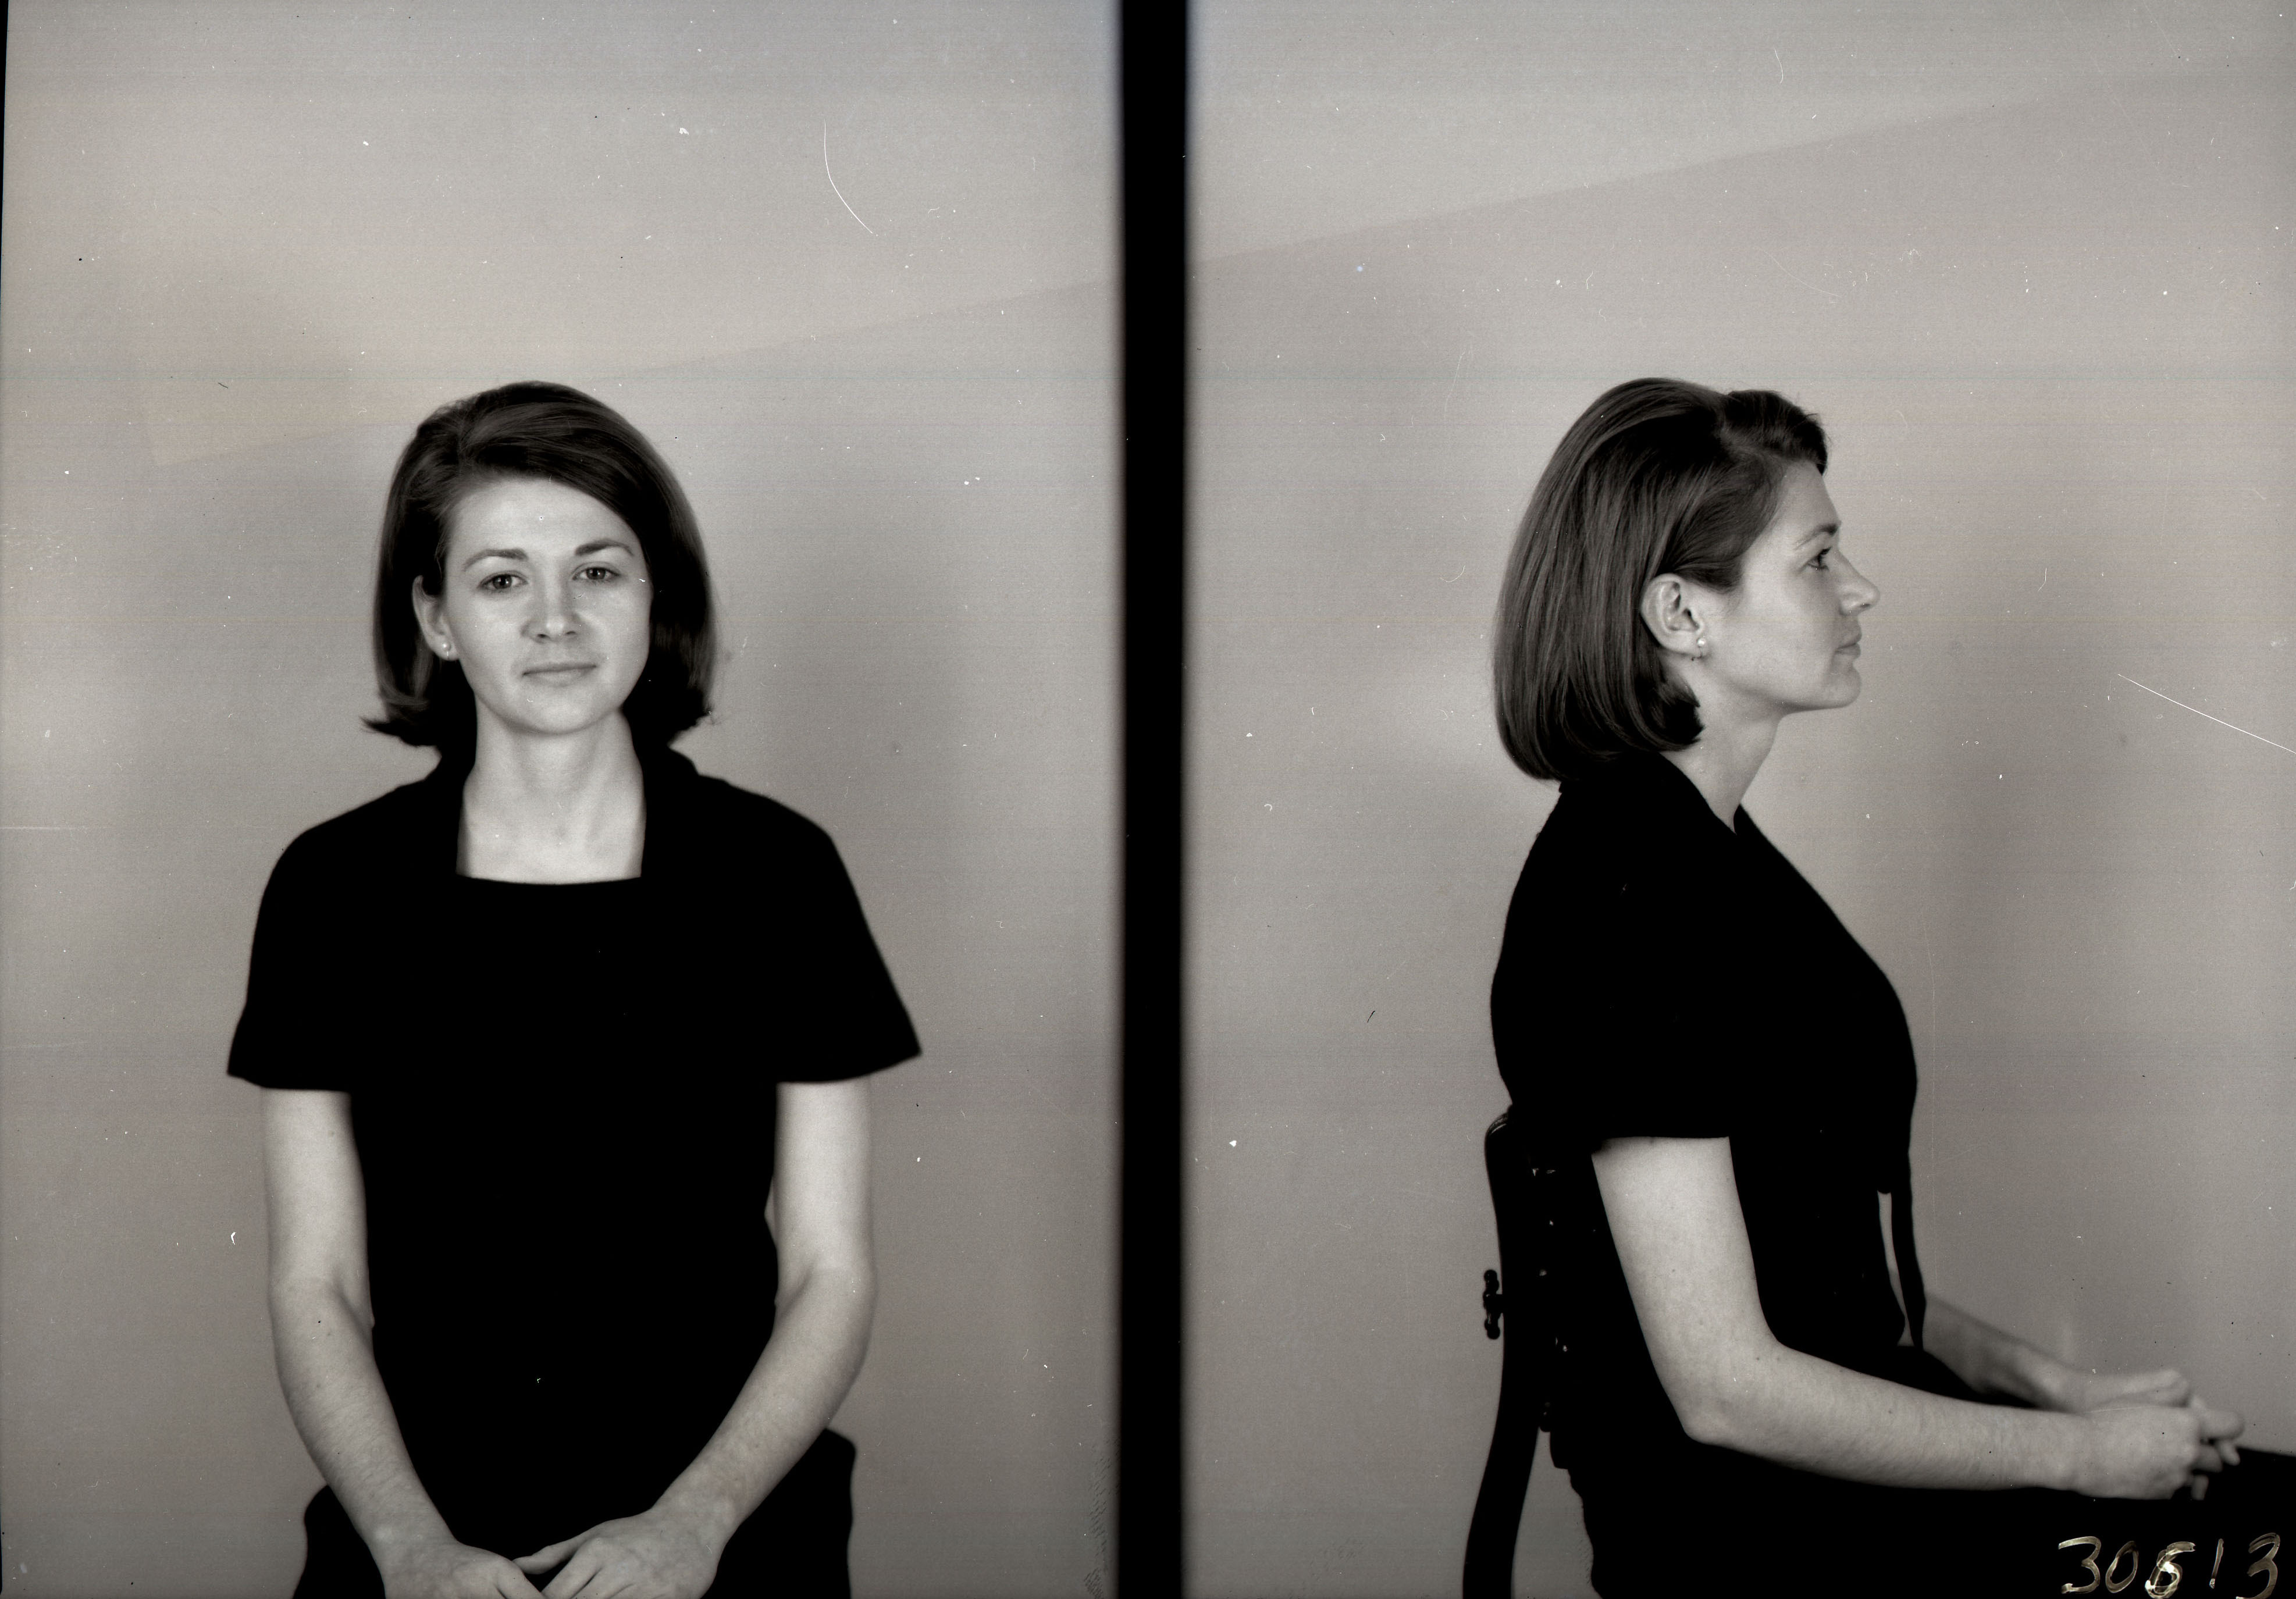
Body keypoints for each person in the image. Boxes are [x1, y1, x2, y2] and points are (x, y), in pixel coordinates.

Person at [1486, 379, 2284, 1596]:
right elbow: (1725, 1386)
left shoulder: (1705, 854)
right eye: (1817, 558)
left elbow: (1828, 1279)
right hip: (1772, 1551)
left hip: (1849, 1505)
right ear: (1681, 613)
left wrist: (2055, 1386)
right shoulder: (1626, 892)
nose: (1861, 588)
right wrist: (2081, 1455)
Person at [230, 382, 920, 1598]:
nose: (556, 618)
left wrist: (692, 1527)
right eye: (502, 580)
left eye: (598, 571)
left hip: (726, 1526)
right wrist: (410, 1547)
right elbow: (314, 1282)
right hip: (424, 1532)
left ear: (658, 596)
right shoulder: (333, 886)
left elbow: (830, 1272)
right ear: (437, 618)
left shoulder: (778, 871)